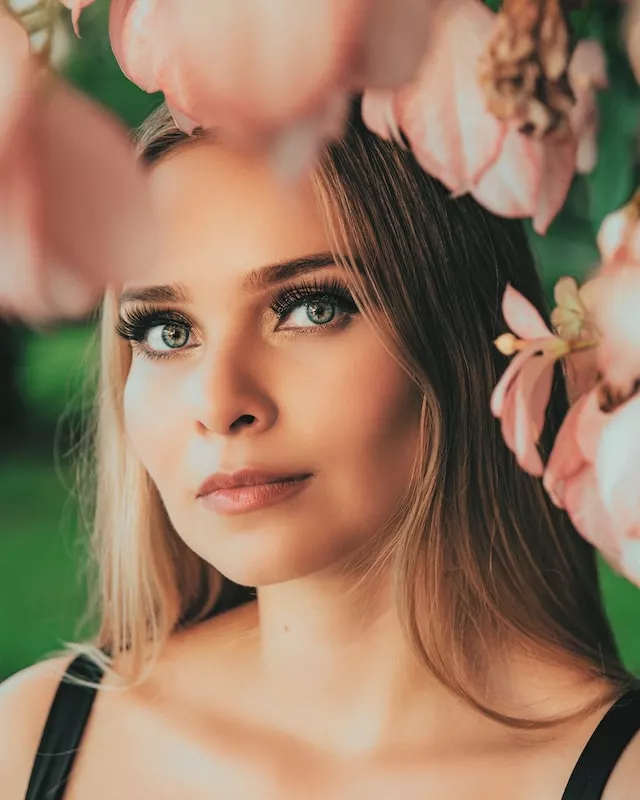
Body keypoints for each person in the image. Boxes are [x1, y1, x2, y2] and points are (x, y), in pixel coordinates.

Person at [1, 98, 640, 800]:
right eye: (166, 331)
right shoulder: (29, 737)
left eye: (311, 308)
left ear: (461, 334)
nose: (218, 404)